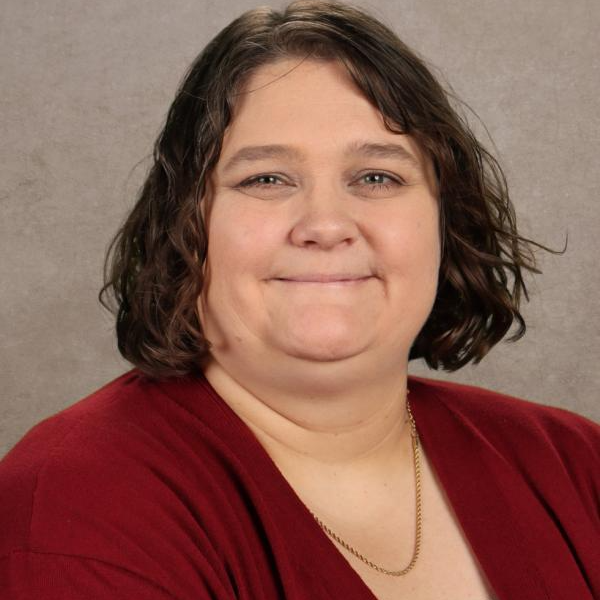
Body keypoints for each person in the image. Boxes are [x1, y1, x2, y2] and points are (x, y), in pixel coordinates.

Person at [0, 1, 598, 598]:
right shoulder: (77, 506)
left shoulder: (578, 466)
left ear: (445, 220)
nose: (326, 224)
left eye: (376, 177)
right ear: (187, 223)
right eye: (266, 179)